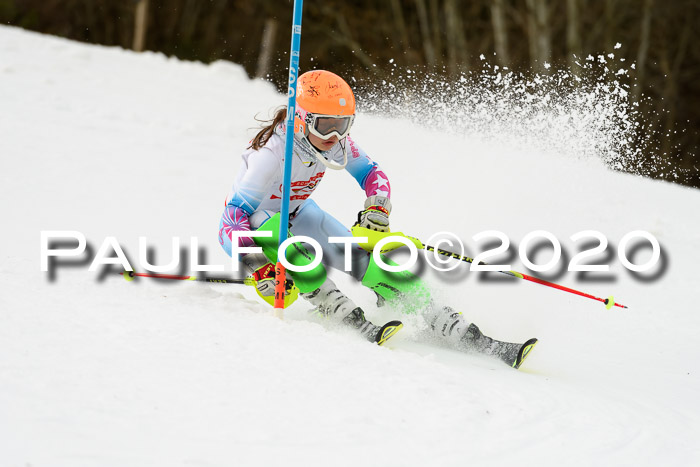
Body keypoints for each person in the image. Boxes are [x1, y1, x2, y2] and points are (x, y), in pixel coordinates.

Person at [219, 70, 537, 368]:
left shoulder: (333, 144)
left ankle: (442, 319)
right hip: (259, 224)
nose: (334, 135)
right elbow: (232, 218)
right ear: (302, 120)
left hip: (299, 213)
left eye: (343, 125)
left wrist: (377, 209)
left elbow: (373, 174)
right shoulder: (271, 155)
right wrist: (258, 265)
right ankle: (336, 305)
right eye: (325, 124)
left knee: (364, 259)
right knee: (290, 246)